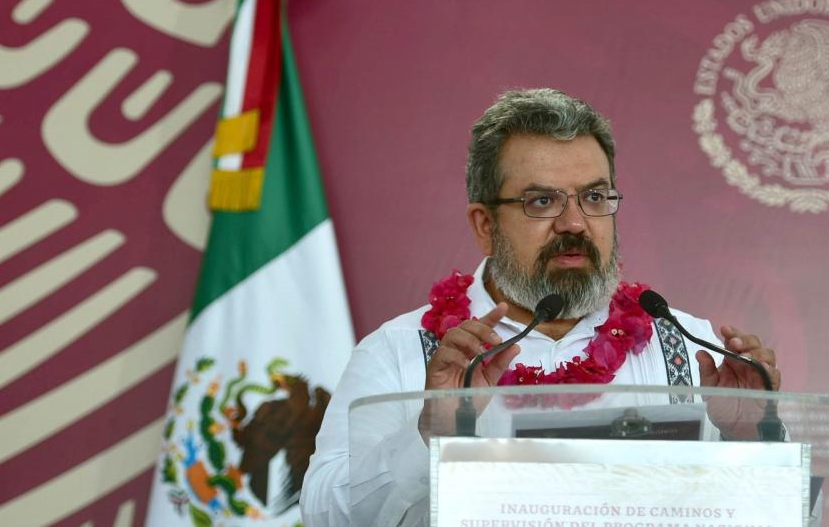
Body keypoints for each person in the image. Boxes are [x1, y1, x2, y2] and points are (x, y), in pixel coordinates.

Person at [300, 89, 782, 526]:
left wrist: (753, 441)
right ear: (485, 223)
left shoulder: (695, 352)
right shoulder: (400, 354)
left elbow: (792, 518)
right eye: (542, 201)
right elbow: (325, 518)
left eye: (594, 197)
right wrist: (427, 433)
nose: (574, 222)